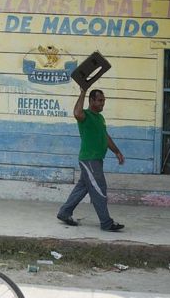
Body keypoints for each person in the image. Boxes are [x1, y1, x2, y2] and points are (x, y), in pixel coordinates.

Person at [57, 88, 126, 232]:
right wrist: (83, 92)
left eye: (104, 101)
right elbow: (76, 113)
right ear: (91, 101)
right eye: (100, 100)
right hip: (89, 159)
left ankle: (64, 212)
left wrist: (117, 151)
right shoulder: (85, 116)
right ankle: (106, 223)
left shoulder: (100, 118)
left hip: (96, 160)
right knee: (99, 189)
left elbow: (105, 137)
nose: (103, 104)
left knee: (82, 188)